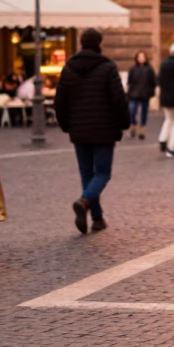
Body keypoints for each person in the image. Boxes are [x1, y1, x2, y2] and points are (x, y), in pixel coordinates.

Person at [55, 29, 129, 234]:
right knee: (103, 173)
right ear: (99, 43)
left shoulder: (69, 68)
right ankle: (86, 201)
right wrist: (124, 123)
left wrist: (66, 125)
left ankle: (96, 218)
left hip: (79, 131)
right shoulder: (107, 67)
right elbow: (118, 99)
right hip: (104, 130)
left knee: (87, 175)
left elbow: (60, 101)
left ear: (81, 43)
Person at [126, 50, 157, 140]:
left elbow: (153, 82)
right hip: (133, 94)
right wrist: (128, 92)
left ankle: (142, 130)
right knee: (132, 111)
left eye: (142, 57)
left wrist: (151, 92)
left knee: (144, 113)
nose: (141, 59)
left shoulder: (149, 69)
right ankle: (133, 126)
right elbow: (129, 82)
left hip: (145, 94)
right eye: (139, 57)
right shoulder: (133, 69)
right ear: (136, 58)